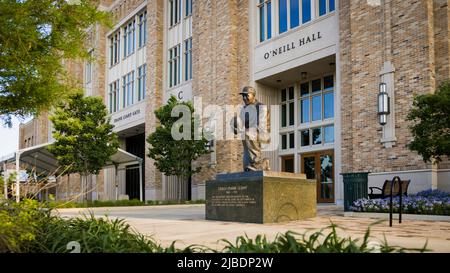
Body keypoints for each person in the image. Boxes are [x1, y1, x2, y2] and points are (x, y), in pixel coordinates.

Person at [231, 86, 270, 171]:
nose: (244, 98)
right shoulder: (244, 109)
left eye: (246, 95)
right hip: (249, 134)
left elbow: (262, 125)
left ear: (253, 95)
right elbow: (240, 124)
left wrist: (247, 130)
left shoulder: (261, 107)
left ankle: (256, 163)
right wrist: (235, 124)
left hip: (263, 133)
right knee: (240, 127)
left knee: (247, 134)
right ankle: (249, 166)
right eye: (243, 96)